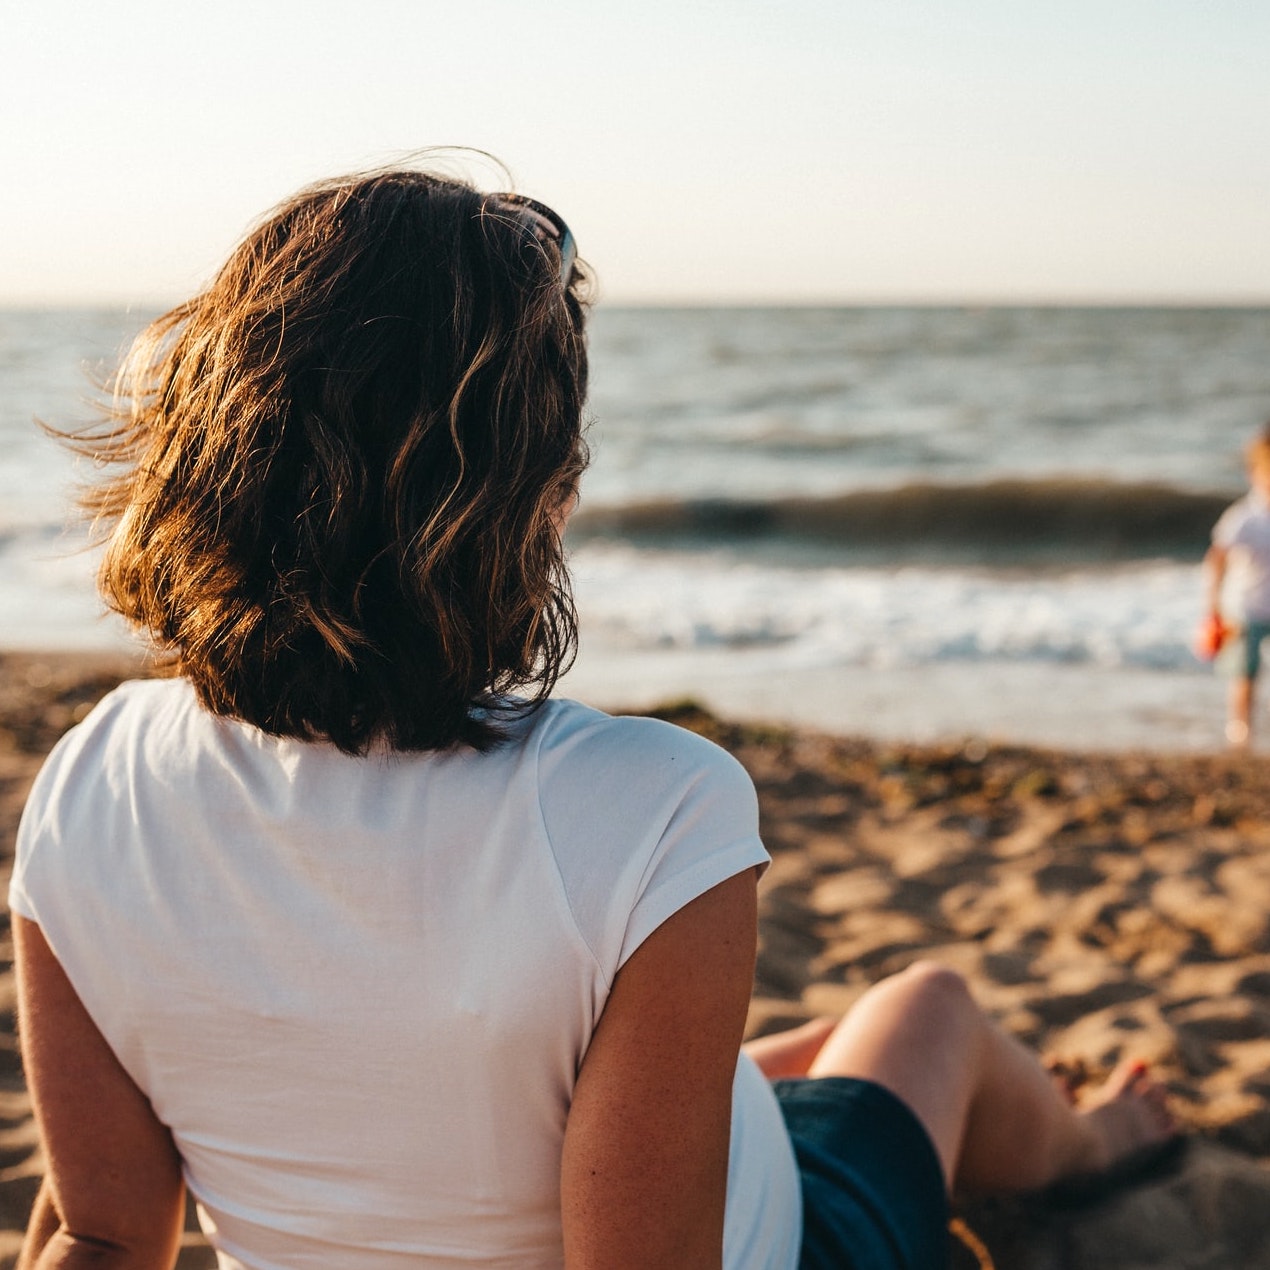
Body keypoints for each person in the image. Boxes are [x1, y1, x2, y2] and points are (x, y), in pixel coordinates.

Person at [12, 163, 1175, 1270]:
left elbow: (105, 1236)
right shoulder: (655, 807)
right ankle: (1104, 1147)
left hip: (551, 1146)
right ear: (542, 497)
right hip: (790, 1239)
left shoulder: (89, 778)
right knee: (929, 1011)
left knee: (793, 1060)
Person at [1203, 424, 1270, 747]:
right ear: (1252, 472)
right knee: (1245, 676)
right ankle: (1241, 734)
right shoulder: (1244, 517)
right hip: (1245, 610)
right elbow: (1216, 559)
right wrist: (1213, 609)